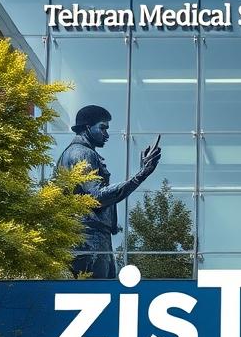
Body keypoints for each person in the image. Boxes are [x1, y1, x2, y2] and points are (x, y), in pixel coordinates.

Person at [55, 105, 161, 278]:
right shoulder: (82, 153)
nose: (106, 134)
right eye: (102, 128)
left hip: (93, 238)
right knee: (95, 294)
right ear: (88, 127)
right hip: (88, 239)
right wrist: (140, 175)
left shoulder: (84, 153)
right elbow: (95, 197)